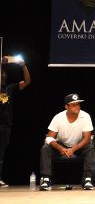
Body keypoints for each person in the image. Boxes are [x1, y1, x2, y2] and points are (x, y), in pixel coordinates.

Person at [39, 93, 95, 191]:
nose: (77, 106)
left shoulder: (85, 116)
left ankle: (87, 179)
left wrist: (73, 149)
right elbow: (49, 138)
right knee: (46, 148)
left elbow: (87, 138)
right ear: (66, 106)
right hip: (61, 146)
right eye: (73, 104)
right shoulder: (58, 117)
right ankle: (46, 180)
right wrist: (60, 148)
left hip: (78, 147)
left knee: (89, 147)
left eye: (78, 104)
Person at [0, 55, 31, 187]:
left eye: (3, 73)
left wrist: (23, 65)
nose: (3, 75)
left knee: (0, 153)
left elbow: (27, 81)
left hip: (4, 126)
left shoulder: (9, 89)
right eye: (1, 73)